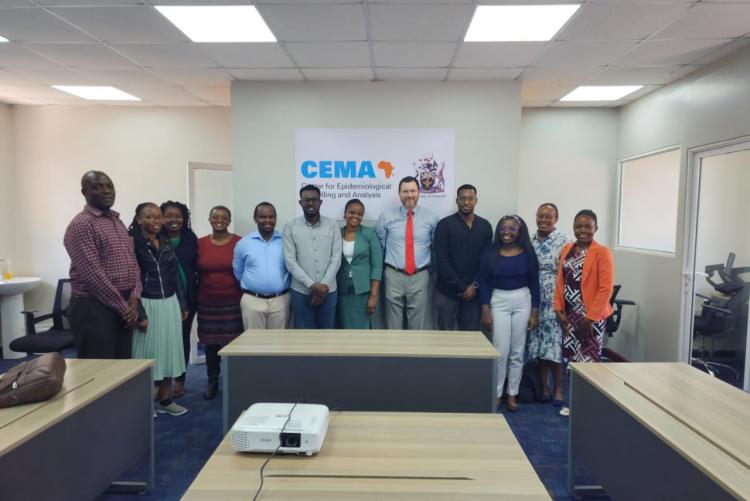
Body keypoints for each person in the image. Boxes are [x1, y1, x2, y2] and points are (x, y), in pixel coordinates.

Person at [64, 171, 141, 359]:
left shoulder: (117, 221)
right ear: (84, 192)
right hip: (94, 306)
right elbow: (93, 276)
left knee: (123, 366)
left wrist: (135, 296)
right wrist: (124, 307)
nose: (106, 191)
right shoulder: (81, 224)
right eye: (97, 187)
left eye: (109, 186)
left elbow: (133, 262)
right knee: (98, 368)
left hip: (124, 303)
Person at [129, 202, 188, 417]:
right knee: (146, 353)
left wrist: (182, 303)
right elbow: (131, 279)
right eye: (149, 217)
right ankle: (143, 402)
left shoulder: (165, 241)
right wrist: (140, 313)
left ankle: (165, 399)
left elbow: (174, 276)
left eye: (158, 217)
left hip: (169, 302)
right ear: (139, 220)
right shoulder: (132, 243)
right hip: (147, 302)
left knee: (169, 350)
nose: (155, 221)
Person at [480, 215, 540, 412]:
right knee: (500, 350)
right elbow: (484, 283)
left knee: (517, 351)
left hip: (523, 300)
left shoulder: (528, 253)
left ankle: (512, 393)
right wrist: (485, 310)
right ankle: (497, 394)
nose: (507, 232)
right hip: (498, 300)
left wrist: (535, 313)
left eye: (512, 229)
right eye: (503, 228)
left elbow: (535, 284)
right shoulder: (490, 252)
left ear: (519, 232)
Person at [375, 176, 439, 330]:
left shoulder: (431, 217)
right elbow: (380, 246)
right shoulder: (386, 217)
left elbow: (435, 247)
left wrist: (428, 271)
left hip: (420, 276)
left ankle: (414, 347)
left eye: (412, 191)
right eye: (405, 191)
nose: (409, 195)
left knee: (417, 326)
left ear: (419, 192)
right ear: (399, 194)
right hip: (393, 275)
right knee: (393, 324)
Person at [554, 209, 614, 365]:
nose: (583, 230)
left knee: (588, 361)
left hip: (591, 316)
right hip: (570, 314)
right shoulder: (567, 249)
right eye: (579, 226)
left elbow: (606, 288)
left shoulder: (602, 252)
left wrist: (590, 318)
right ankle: (572, 382)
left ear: (596, 228)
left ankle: (588, 384)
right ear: (573, 227)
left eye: (588, 227)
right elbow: (560, 281)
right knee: (571, 360)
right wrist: (558, 309)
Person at [196, 206, 243, 400]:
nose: (219, 220)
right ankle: (212, 380)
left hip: (233, 301)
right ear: (209, 220)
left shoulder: (239, 242)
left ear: (229, 221)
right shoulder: (200, 243)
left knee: (235, 344)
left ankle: (235, 380)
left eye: (224, 217)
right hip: (208, 302)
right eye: (215, 217)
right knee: (211, 345)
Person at [433, 184, 493, 332]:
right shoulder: (444, 225)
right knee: (444, 335)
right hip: (447, 292)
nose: (466, 202)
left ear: (476, 201)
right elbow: (441, 260)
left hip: (474, 293)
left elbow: (486, 261)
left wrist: (474, 286)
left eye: (470, 199)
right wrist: (462, 287)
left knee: (470, 336)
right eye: (462, 199)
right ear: (457, 201)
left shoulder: (485, 226)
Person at [527, 203, 570, 406]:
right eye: (540, 216)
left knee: (554, 345)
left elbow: (568, 272)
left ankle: (558, 388)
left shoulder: (564, 241)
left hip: (555, 296)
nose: (543, 220)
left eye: (548, 217)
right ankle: (544, 387)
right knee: (539, 344)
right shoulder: (529, 240)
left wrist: (563, 303)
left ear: (556, 218)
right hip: (534, 296)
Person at [283, 185, 342, 329]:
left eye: (314, 200)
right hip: (300, 291)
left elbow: (336, 257)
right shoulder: (290, 226)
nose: (310, 203)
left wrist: (323, 287)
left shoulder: (332, 225)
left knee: (327, 334)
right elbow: (290, 261)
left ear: (320, 202)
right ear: (300, 202)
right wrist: (313, 285)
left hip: (328, 290)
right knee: (304, 336)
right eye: (306, 200)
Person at [161, 200, 198, 398]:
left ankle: (180, 380)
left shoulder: (190, 239)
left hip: (188, 299)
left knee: (182, 338)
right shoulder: (156, 238)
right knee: (163, 340)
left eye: (178, 216)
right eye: (169, 216)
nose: (173, 220)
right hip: (162, 298)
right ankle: (161, 381)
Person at [233, 202, 291, 329]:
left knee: (280, 340)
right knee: (254, 340)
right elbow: (238, 271)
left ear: (275, 218)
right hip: (252, 301)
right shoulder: (243, 243)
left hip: (280, 301)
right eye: (263, 217)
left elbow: (290, 268)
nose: (267, 220)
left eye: (271, 217)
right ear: (255, 219)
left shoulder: (285, 241)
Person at [336, 199, 383, 329]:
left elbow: (377, 266)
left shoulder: (369, 234)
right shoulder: (337, 233)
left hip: (364, 292)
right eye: (352, 212)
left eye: (359, 214)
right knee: (344, 327)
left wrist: (373, 295)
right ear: (345, 214)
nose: (355, 216)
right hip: (342, 290)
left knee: (362, 328)